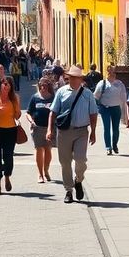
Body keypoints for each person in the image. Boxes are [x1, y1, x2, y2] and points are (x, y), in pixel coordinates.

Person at [46, 66, 99, 203]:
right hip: (64, 132)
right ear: (68, 77)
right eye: (72, 77)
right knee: (65, 163)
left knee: (81, 160)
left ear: (81, 79)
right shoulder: (61, 92)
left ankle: (78, 179)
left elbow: (93, 113)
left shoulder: (87, 94)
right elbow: (53, 112)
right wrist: (49, 130)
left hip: (81, 131)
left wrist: (93, 132)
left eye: (77, 77)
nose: (74, 80)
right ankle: (68, 190)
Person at [27, 77, 56, 183]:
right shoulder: (35, 98)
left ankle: (46, 170)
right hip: (37, 127)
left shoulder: (52, 98)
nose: (43, 88)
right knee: (39, 149)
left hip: (49, 128)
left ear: (48, 87)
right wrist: (31, 121)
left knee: (48, 149)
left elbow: (56, 112)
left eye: (45, 86)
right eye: (41, 85)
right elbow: (28, 112)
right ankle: (40, 174)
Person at [94, 66, 125, 156]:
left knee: (116, 129)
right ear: (107, 73)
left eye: (113, 72)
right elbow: (96, 96)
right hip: (105, 108)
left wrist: (124, 110)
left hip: (116, 108)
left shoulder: (120, 84)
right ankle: (108, 147)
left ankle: (114, 144)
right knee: (106, 128)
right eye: (109, 72)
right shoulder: (102, 83)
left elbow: (123, 97)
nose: (111, 74)